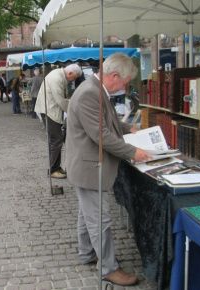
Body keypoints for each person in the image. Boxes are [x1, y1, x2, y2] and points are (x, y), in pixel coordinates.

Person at [65, 53, 153, 287]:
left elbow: (107, 122)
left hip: (86, 164)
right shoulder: (90, 93)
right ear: (114, 76)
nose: (125, 89)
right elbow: (101, 134)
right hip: (90, 166)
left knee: (88, 215)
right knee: (100, 219)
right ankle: (108, 268)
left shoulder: (95, 89)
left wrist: (128, 129)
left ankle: (87, 253)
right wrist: (132, 152)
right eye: (124, 83)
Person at [35, 64, 82, 179]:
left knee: (56, 140)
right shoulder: (57, 78)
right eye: (74, 78)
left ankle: (55, 167)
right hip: (50, 111)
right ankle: (53, 169)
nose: (73, 80)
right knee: (56, 140)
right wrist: (75, 110)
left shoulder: (58, 75)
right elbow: (60, 100)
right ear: (70, 73)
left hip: (50, 110)